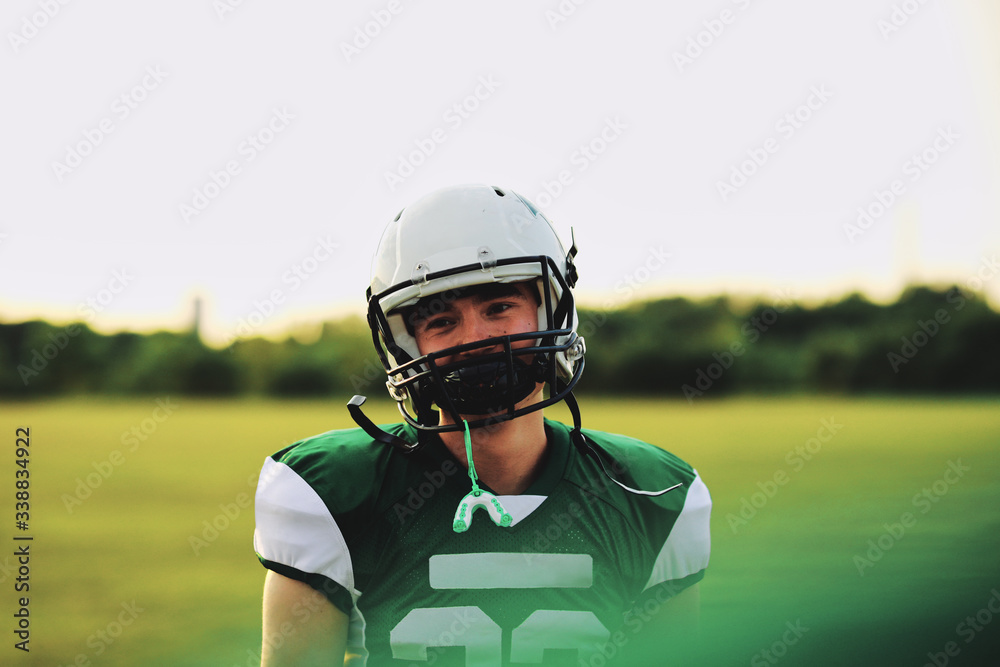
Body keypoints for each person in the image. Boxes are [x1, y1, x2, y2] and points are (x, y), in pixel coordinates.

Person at [252, 183, 711, 666]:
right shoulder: (338, 493)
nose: (476, 339)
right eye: (442, 322)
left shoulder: (648, 495)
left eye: (499, 308)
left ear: (552, 309)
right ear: (408, 348)